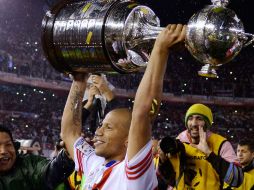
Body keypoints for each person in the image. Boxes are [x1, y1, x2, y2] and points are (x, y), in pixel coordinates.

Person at [60, 24, 186, 190]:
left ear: (128, 140)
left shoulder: (133, 175)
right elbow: (69, 132)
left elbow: (143, 114)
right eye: (101, 125)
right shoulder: (93, 164)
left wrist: (160, 49)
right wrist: (79, 79)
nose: (98, 132)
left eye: (109, 127)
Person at [158, 103, 244, 190]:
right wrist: (163, 162)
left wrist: (209, 154)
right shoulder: (179, 142)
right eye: (190, 118)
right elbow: (172, 181)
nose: (194, 123)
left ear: (207, 123)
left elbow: (237, 179)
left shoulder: (221, 144)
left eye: (199, 119)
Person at [0, 125, 74, 190]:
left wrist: (65, 157)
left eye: (8, 144)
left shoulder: (29, 164)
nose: (3, 151)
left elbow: (49, 172)